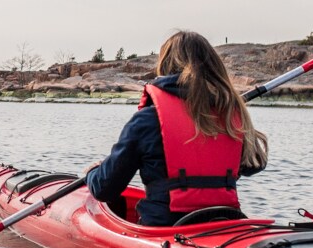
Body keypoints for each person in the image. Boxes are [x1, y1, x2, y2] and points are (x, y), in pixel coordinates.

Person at [87, 30, 264, 227]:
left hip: (166, 228)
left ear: (165, 65)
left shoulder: (147, 120)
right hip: (224, 224)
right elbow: (253, 165)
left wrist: (93, 173)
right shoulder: (233, 115)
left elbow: (104, 189)